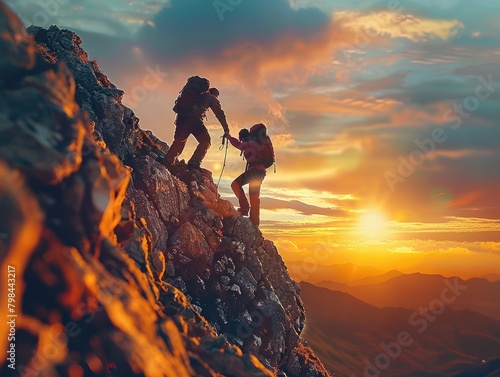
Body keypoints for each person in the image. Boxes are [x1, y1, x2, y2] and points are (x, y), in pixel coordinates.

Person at [164, 87, 229, 169]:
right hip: (194, 120)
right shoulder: (211, 98)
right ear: (215, 95)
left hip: (181, 118)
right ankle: (194, 163)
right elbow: (219, 113)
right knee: (206, 141)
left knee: (179, 141)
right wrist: (226, 128)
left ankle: (168, 161)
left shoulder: (196, 96)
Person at [227, 126, 269, 226]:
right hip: (258, 172)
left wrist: (229, 137)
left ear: (242, 137)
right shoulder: (254, 143)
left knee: (236, 185)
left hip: (255, 172)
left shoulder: (250, 143)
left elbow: (239, 145)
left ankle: (246, 209)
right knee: (254, 196)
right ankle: (254, 220)